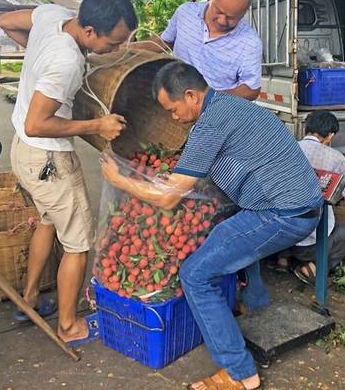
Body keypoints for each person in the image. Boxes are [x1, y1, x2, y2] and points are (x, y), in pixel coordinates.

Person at [101, 61, 323, 390]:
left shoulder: (210, 124)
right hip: (294, 204)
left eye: (172, 109)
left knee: (195, 274)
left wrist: (120, 180)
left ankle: (240, 373)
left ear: (191, 96)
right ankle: (254, 303)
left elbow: (166, 199)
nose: (172, 118)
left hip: (284, 214)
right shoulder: (229, 107)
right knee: (226, 228)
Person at [0, 0, 137, 347]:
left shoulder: (51, 15)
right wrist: (97, 126)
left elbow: (5, 20)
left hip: (24, 152)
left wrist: (35, 59)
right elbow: (36, 123)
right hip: (48, 155)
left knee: (48, 219)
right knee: (77, 243)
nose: (116, 50)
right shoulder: (67, 63)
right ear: (89, 31)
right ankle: (69, 325)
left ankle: (29, 299)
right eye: (113, 43)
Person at [133, 0, 262, 101]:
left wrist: (210, 99)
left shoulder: (250, 42)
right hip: (174, 106)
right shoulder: (185, 13)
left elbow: (251, 89)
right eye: (219, 11)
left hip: (215, 112)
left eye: (231, 17)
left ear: (245, 11)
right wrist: (125, 49)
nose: (222, 21)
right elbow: (163, 42)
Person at [276, 111, 345, 284]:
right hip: (310, 242)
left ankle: (283, 259)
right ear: (330, 135)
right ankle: (313, 268)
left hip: (278, 235)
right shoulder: (335, 157)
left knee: (290, 206)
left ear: (307, 129)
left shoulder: (286, 149)